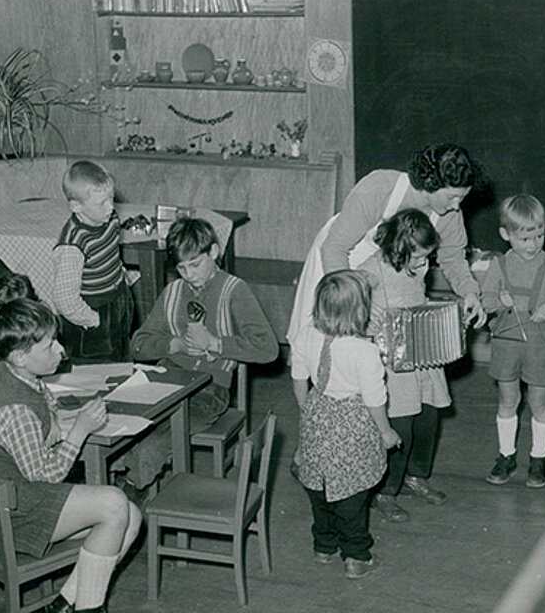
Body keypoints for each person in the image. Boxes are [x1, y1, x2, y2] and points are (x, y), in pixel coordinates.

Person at [0, 298, 141, 613]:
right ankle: (89, 609)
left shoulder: (12, 374)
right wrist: (80, 429)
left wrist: (58, 420)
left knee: (131, 516)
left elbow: (43, 403)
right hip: (5, 517)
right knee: (114, 504)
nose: (61, 350)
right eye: (49, 346)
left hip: (9, 498)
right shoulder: (13, 408)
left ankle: (63, 605)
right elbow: (45, 475)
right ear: (20, 356)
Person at [125, 217, 278, 489]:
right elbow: (138, 344)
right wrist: (175, 345)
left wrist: (216, 343)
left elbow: (268, 348)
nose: (189, 274)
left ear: (214, 253)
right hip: (165, 381)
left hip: (207, 391)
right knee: (122, 432)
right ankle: (125, 492)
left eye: (195, 264)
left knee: (151, 445)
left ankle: (130, 503)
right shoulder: (173, 291)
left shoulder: (234, 290)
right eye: (181, 267)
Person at [288, 143, 488, 344]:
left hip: (394, 276)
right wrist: (354, 302)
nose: (456, 206)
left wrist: (470, 292)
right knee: (333, 343)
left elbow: (453, 259)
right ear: (431, 183)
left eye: (461, 198)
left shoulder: (450, 215)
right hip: (342, 262)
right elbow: (335, 248)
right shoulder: (378, 188)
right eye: (452, 197)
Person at [290, 270, 401, 579]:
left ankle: (324, 546)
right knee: (351, 494)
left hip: (316, 416)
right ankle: (356, 556)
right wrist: (385, 432)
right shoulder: (364, 351)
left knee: (319, 486)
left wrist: (307, 411)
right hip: (353, 426)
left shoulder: (305, 334)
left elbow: (299, 378)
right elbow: (375, 399)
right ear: (360, 311)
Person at [357, 209, 450, 523]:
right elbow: (355, 316)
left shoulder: (417, 267)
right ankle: (384, 490)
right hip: (391, 366)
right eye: (418, 257)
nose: (424, 265)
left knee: (427, 421)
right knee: (401, 431)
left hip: (422, 360)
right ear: (398, 248)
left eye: (427, 257)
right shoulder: (371, 271)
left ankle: (415, 476)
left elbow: (417, 300)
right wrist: (373, 324)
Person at [480, 195, 545, 489]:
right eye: (524, 239)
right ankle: (506, 456)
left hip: (540, 345)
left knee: (539, 401)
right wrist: (497, 301)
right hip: (506, 344)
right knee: (508, 400)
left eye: (539, 236)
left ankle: (538, 458)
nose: (533, 245)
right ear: (505, 235)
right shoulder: (498, 265)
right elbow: (485, 300)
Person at [52, 160, 134, 363]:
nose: (111, 207)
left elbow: (110, 251)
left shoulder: (109, 218)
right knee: (95, 372)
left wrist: (122, 276)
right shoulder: (73, 244)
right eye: (102, 203)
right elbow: (64, 299)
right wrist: (94, 321)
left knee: (121, 359)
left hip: (117, 300)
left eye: (111, 199)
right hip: (92, 314)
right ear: (76, 206)